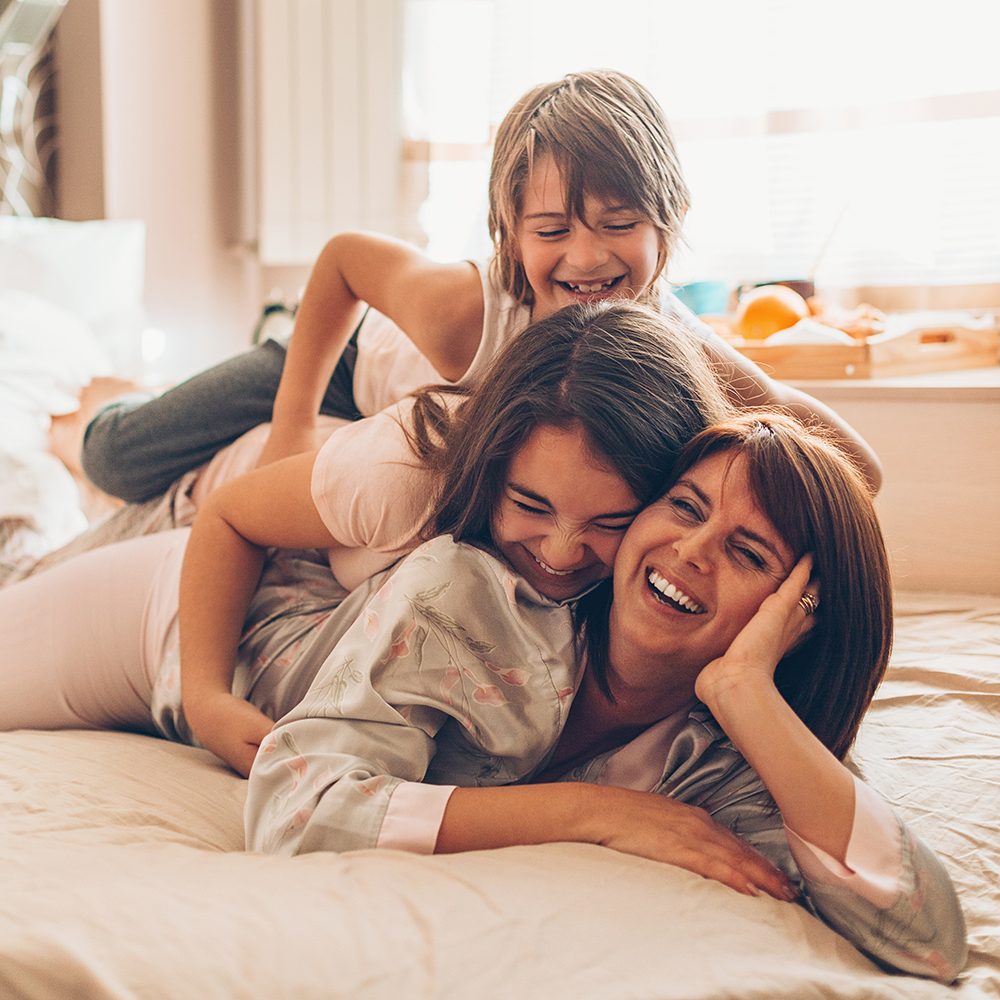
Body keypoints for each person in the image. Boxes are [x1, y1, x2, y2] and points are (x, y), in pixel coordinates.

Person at [243, 411, 966, 983]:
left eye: (749, 554)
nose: (691, 550)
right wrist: (597, 814)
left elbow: (930, 943)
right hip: (207, 620)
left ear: (798, 620)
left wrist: (747, 692)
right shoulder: (462, 594)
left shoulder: (724, 764)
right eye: (684, 506)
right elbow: (293, 809)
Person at [78, 69, 882, 503]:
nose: (586, 258)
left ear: (666, 225)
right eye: (552, 231)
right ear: (509, 235)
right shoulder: (462, 311)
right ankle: (96, 401)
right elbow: (343, 261)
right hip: (351, 363)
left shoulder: (673, 341)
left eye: (616, 223)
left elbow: (853, 461)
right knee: (115, 459)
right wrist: (291, 428)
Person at [0, 301, 730, 770]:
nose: (564, 553)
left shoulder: (677, 562)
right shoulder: (413, 466)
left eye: (610, 522)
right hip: (179, 582)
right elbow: (228, 518)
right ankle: (64, 435)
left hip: (309, 585)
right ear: (490, 465)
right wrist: (206, 697)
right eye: (529, 504)